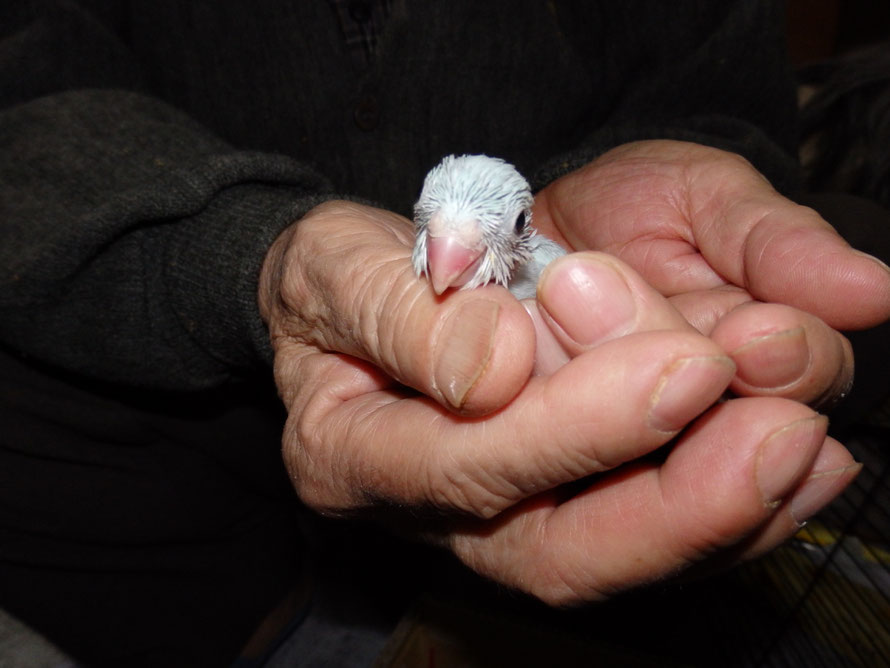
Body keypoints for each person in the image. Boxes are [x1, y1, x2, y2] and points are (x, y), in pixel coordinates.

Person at [1, 1, 888, 665]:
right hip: (170, 455)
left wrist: (668, 186)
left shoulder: (548, 266)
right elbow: (29, 95)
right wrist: (253, 256)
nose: (444, 271)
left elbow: (723, 97)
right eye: (438, 244)